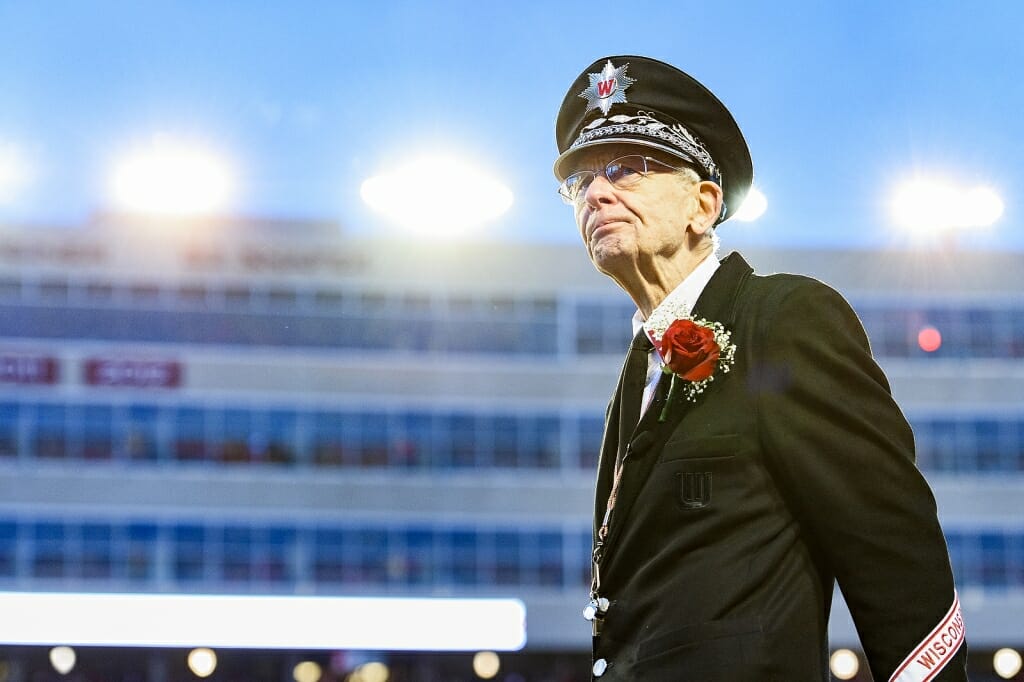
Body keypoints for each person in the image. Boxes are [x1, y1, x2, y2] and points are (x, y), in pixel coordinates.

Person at [553, 55, 967, 681]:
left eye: (627, 167)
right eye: (580, 182)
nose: (597, 193)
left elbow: (892, 545)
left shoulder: (784, 318)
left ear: (703, 204)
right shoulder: (637, 373)